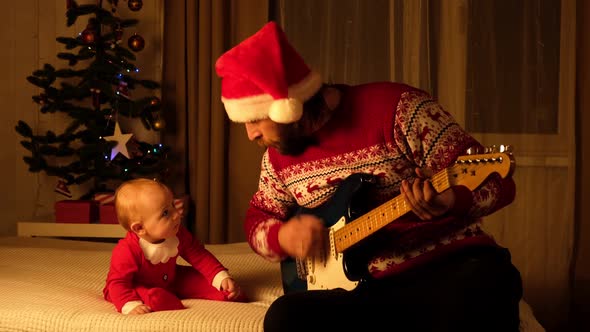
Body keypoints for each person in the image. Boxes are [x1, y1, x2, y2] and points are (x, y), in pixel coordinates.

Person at [215, 21, 523, 332]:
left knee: (488, 284)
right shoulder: (278, 158)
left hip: (447, 267)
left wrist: (452, 200)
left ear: (289, 106)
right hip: (365, 289)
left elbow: (499, 183)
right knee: (285, 318)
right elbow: (258, 218)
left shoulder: (400, 109)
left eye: (255, 118)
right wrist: (282, 237)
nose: (250, 133)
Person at [103, 178, 244, 315]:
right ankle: (158, 300)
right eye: (165, 213)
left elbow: (199, 255)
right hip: (133, 284)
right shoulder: (127, 250)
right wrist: (129, 304)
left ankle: (226, 292)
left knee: (199, 278)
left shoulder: (177, 234)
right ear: (140, 228)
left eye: (173, 206)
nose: (176, 215)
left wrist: (220, 277)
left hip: (170, 278)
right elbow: (117, 283)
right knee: (142, 292)